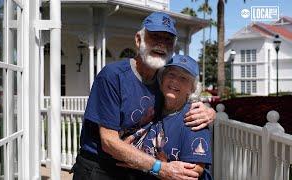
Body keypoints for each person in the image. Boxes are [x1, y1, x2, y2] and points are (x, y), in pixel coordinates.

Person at [72, 12, 215, 180]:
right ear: (138, 40)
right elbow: (109, 141)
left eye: (168, 39)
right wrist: (159, 168)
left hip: (134, 169)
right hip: (99, 169)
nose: (161, 44)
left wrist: (210, 112)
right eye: (155, 37)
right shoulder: (113, 76)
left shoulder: (163, 82)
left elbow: (184, 96)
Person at [122, 55, 212, 179]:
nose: (175, 81)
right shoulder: (152, 108)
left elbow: (193, 172)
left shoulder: (194, 117)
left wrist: (147, 165)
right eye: (171, 74)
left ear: (192, 88)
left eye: (183, 78)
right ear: (162, 79)